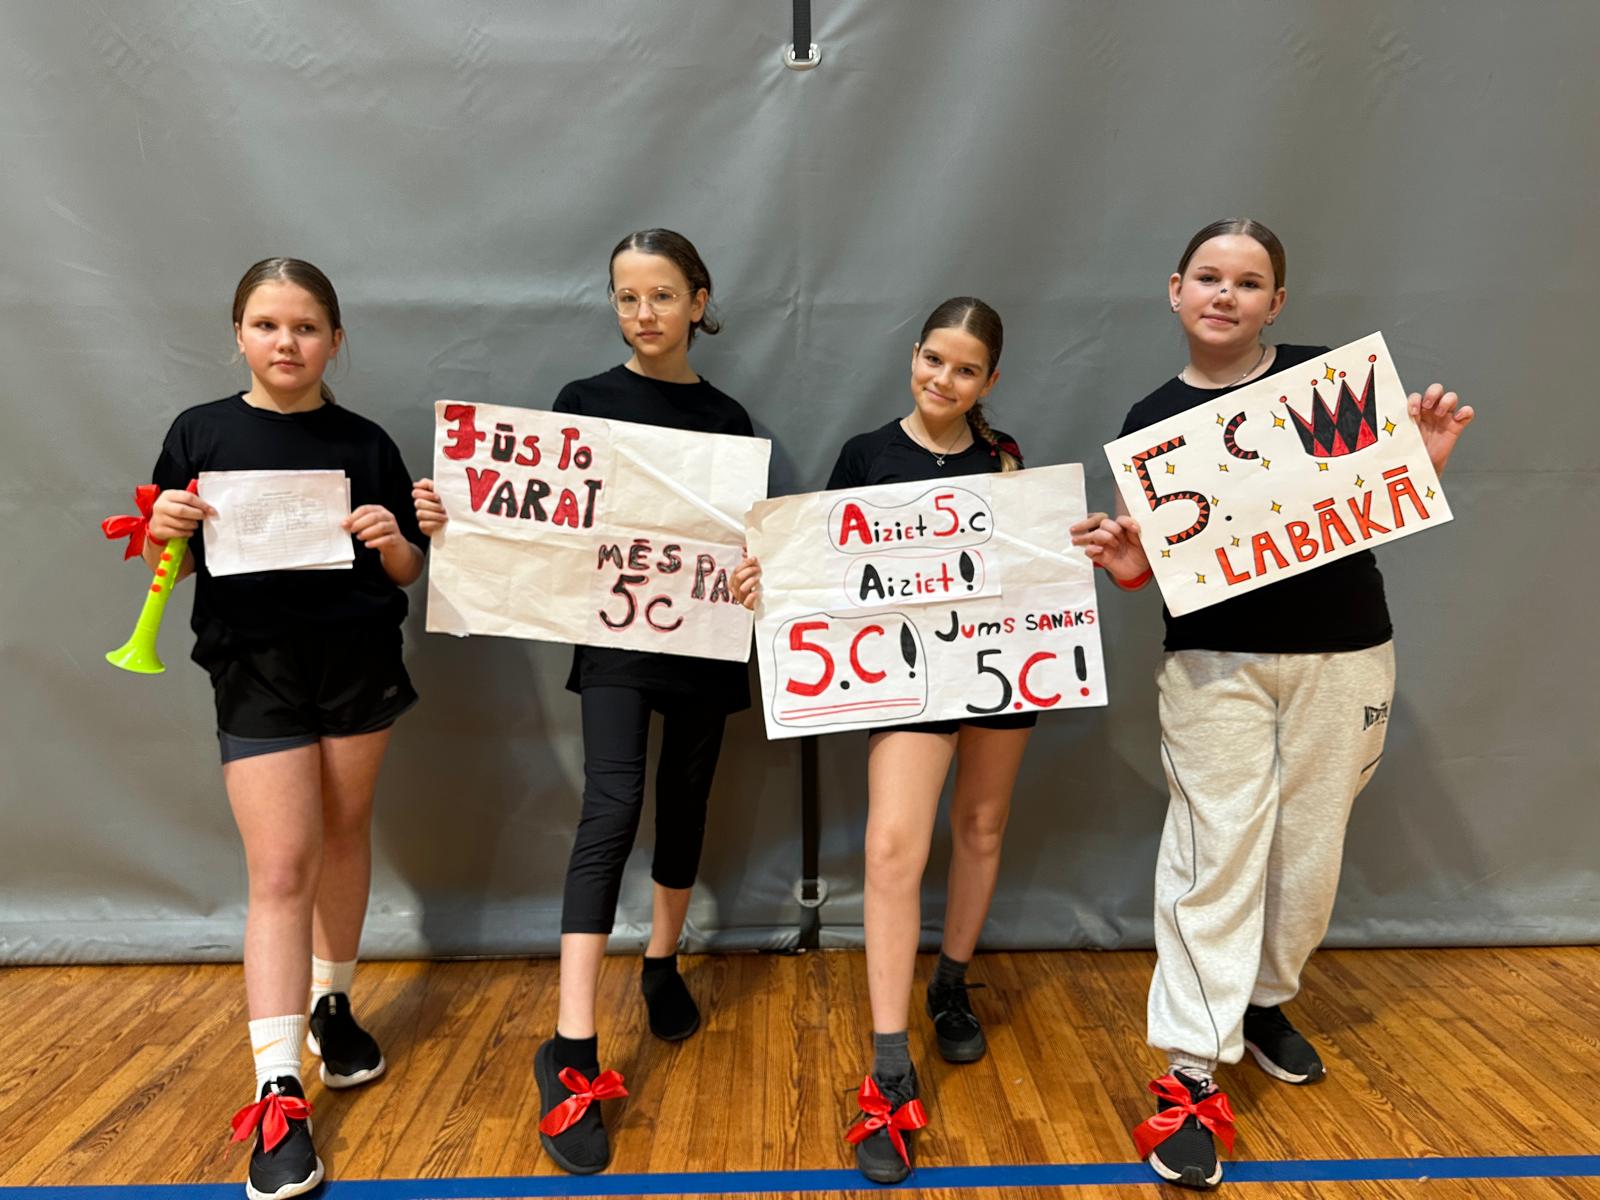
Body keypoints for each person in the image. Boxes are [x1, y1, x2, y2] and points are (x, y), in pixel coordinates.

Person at [1072, 218, 1474, 1189]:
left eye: (1247, 282)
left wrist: (1416, 465)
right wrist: (1128, 568)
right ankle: (1188, 1075)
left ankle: (1259, 1003)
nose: (1225, 294)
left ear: (1276, 304)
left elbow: (1363, 501)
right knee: (1213, 856)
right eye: (1208, 277)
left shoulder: (1321, 385)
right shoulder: (1152, 419)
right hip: (1216, 668)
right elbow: (1164, 562)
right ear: (1175, 290)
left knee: (1306, 854)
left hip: (1345, 656)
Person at [413, 229, 756, 1176]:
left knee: (686, 801)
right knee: (611, 805)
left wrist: (756, 572)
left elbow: (742, 544)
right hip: (616, 641)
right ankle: (570, 1046)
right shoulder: (583, 404)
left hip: (701, 640)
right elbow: (535, 518)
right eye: (626, 296)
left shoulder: (730, 421)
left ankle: (661, 964)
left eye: (661, 295)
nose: (643, 313)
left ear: (698, 302)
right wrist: (454, 518)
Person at [139, 258, 427, 1200]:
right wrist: (162, 527)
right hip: (254, 670)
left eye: (305, 327)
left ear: (334, 340)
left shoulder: (365, 441)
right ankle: (277, 1088)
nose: (286, 342)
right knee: (278, 868)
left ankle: (331, 1005)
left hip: (358, 665)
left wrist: (394, 540)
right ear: (238, 336)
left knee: (343, 837)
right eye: (267, 325)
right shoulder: (199, 432)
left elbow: (405, 571)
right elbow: (170, 563)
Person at [733, 297, 1030, 1184]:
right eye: (934, 359)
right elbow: (818, 567)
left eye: (966, 369)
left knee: (980, 828)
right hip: (907, 675)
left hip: (998, 666)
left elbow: (1027, 568)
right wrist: (765, 582)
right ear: (913, 356)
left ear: (989, 380)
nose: (945, 379)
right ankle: (891, 1065)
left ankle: (951, 984)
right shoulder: (867, 454)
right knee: (892, 846)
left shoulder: (1006, 460)